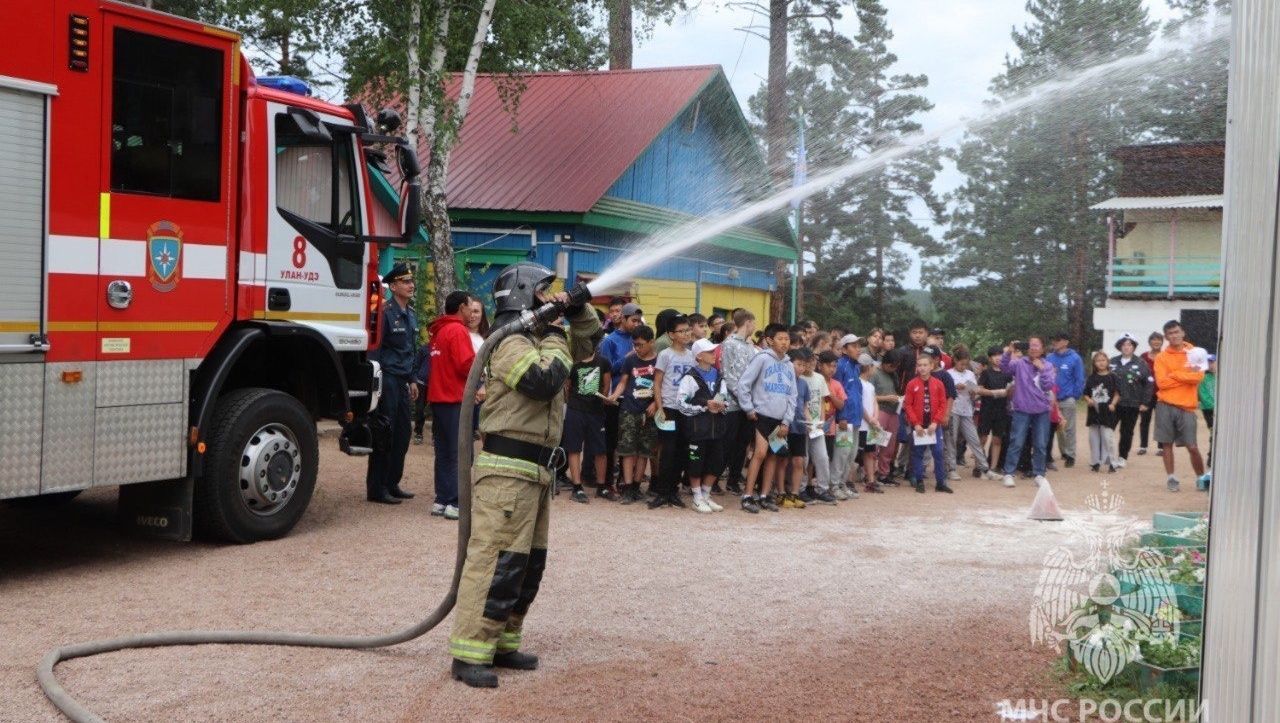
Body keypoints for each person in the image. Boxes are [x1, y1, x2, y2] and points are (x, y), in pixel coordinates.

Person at [449, 262, 599, 688]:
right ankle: (469, 651)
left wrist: (576, 312)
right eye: (544, 293)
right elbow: (543, 379)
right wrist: (554, 330)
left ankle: (501, 643)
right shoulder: (510, 341)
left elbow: (589, 345)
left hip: (535, 471)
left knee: (526, 564)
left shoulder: (540, 336)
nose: (551, 298)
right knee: (495, 560)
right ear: (524, 294)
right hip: (507, 473)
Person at [366, 263, 420, 505]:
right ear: (394, 286)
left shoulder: (411, 314)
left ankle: (392, 482)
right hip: (387, 378)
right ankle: (377, 488)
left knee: (403, 433)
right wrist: (375, 381)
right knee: (385, 433)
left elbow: (410, 350)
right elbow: (375, 349)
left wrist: (412, 380)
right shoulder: (385, 313)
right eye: (405, 282)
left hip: (403, 380)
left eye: (411, 281)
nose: (411, 285)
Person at [736, 323, 797, 513]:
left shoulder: (788, 364)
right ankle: (747, 495)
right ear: (770, 340)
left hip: (779, 419)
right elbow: (743, 384)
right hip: (761, 415)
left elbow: (792, 395)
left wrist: (787, 420)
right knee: (760, 453)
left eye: (787, 339)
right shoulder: (761, 359)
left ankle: (764, 495)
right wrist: (749, 408)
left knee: (773, 455)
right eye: (780, 339)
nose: (784, 343)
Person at [427, 290, 476, 520]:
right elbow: (466, 364)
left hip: (438, 399)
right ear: (461, 308)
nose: (472, 312)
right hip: (454, 399)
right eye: (469, 306)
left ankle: (441, 499)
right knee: (459, 452)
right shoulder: (457, 330)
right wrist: (481, 371)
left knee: (444, 452)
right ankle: (456, 501)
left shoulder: (439, 330)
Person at [1152, 320, 1209, 492]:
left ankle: (1200, 477)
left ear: (1183, 332)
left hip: (1187, 406)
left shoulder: (1195, 352)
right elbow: (1161, 383)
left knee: (1192, 446)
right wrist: (1185, 376)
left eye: (1177, 332)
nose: (1174, 335)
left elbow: (1198, 377)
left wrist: (1175, 375)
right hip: (1165, 404)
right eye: (1170, 333)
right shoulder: (1161, 357)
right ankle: (1171, 477)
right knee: (1166, 444)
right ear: (1166, 337)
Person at [676, 338, 728, 513]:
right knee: (696, 463)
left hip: (717, 429)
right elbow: (681, 403)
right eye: (710, 352)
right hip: (698, 429)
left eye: (714, 351)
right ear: (699, 356)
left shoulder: (719, 375)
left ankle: (706, 494)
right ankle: (697, 497)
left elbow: (725, 398)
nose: (715, 355)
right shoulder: (690, 377)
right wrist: (704, 406)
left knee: (717, 462)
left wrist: (722, 405)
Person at [607, 325, 658, 504]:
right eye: (635, 345)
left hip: (650, 412)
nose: (637, 348)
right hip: (629, 408)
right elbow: (623, 382)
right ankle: (628, 487)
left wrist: (655, 403)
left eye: (641, 345)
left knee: (644, 451)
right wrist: (613, 395)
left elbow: (662, 386)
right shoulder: (630, 360)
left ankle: (637, 486)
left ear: (651, 342)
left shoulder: (659, 361)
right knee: (627, 450)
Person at [649, 315, 695, 508]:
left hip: (686, 409)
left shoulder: (692, 355)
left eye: (687, 330)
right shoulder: (665, 355)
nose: (686, 334)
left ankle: (674, 490)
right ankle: (662, 492)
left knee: (683, 451)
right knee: (667, 450)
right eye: (681, 331)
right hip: (669, 408)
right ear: (670, 334)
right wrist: (660, 407)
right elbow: (657, 382)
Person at [999, 337, 1056, 489]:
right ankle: (1009, 473)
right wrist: (1008, 352)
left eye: (1037, 346)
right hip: (1022, 409)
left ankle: (1039, 474)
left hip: (1042, 411)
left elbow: (1048, 385)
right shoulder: (1019, 363)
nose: (1033, 348)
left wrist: (1042, 369)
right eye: (1031, 346)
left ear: (1042, 349)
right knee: (1016, 441)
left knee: (1040, 444)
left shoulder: (1048, 365)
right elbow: (1004, 368)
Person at [562, 333, 612, 503]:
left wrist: (601, 400)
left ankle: (601, 485)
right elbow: (567, 387)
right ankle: (577, 486)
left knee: (600, 450)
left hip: (596, 411)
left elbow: (606, 385)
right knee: (574, 448)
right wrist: (574, 403)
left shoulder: (603, 362)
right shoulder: (572, 364)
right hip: (576, 410)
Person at [945, 346, 997, 481]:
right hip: (953, 410)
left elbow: (974, 394)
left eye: (965, 364)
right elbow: (945, 393)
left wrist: (974, 392)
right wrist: (955, 387)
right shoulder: (949, 374)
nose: (963, 366)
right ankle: (951, 468)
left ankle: (984, 467)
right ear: (955, 360)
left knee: (974, 439)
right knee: (952, 439)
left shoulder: (970, 374)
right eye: (961, 363)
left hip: (967, 410)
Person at [720, 309, 758, 495]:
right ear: (748, 322)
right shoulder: (729, 344)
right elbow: (729, 375)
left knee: (742, 444)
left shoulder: (751, 346)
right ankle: (715, 477)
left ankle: (734, 479)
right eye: (754, 323)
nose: (755, 327)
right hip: (733, 403)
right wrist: (743, 398)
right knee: (727, 442)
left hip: (748, 404)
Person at [903, 355, 951, 494]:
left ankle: (940, 483)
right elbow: (908, 405)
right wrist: (916, 424)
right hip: (919, 426)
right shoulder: (912, 384)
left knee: (938, 452)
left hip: (934, 426)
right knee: (917, 453)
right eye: (920, 365)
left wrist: (936, 422)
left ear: (931, 366)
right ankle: (919, 481)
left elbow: (943, 403)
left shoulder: (938, 383)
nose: (922, 368)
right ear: (917, 367)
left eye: (925, 365)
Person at [796, 348, 836, 504]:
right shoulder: (799, 379)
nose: (810, 364)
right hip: (802, 425)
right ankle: (801, 488)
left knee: (822, 457)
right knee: (804, 459)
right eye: (807, 362)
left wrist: (821, 421)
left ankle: (823, 488)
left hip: (816, 426)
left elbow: (821, 401)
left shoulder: (819, 378)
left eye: (812, 361)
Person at [1109, 334, 1152, 466]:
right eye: (1124, 345)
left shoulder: (1141, 363)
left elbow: (1148, 383)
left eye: (1129, 345)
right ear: (1119, 347)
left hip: (1132, 404)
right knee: (1107, 430)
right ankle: (1107, 456)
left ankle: (1122, 457)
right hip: (1113, 404)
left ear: (1133, 347)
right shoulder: (1112, 362)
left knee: (1126, 432)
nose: (1126, 347)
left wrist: (1145, 402)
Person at [818, 350, 855, 500]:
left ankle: (829, 486)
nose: (832, 369)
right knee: (816, 459)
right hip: (815, 427)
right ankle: (813, 486)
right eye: (829, 366)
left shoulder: (837, 384)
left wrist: (830, 394)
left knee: (829, 457)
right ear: (820, 366)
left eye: (834, 366)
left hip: (831, 428)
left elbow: (841, 405)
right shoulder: (815, 379)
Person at [781, 347, 813, 509]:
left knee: (799, 461)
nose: (801, 368)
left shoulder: (804, 384)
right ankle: (780, 492)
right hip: (784, 426)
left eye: (803, 365)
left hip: (800, 427)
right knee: (782, 460)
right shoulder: (783, 381)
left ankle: (794, 493)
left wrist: (810, 422)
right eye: (798, 364)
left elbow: (805, 406)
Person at [1047, 333, 1085, 468]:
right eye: (1054, 340)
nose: (1055, 342)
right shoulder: (1049, 358)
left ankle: (1070, 455)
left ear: (1066, 342)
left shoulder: (1075, 358)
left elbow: (1079, 379)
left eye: (1058, 340)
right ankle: (1061, 451)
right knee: (1054, 428)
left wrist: (1074, 395)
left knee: (1069, 427)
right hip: (1051, 399)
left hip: (1067, 398)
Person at [976, 345, 1012, 478]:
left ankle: (993, 467)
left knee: (997, 439)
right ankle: (979, 466)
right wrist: (994, 393)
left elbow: (1011, 390)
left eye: (1000, 355)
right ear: (990, 358)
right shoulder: (986, 373)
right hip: (987, 409)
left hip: (1001, 410)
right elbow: (979, 389)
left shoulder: (1007, 373)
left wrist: (1009, 392)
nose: (998, 358)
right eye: (994, 356)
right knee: (983, 438)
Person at [1084, 350, 1121, 473]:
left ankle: (1112, 463)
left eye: (1103, 360)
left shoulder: (1113, 377)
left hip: (1107, 411)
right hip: (1094, 411)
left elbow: (1117, 393)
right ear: (1094, 363)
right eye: (1098, 361)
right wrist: (1089, 400)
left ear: (1107, 362)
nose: (1101, 363)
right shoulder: (1091, 378)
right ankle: (1095, 462)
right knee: (1093, 438)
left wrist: (1113, 404)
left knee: (1108, 437)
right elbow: (1086, 393)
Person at [857, 354, 885, 494]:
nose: (875, 368)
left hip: (870, 425)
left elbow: (874, 402)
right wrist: (870, 419)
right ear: (868, 367)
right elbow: (859, 405)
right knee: (856, 454)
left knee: (870, 453)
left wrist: (875, 418)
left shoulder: (870, 385)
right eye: (873, 366)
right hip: (861, 425)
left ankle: (871, 481)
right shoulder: (858, 383)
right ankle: (848, 481)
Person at [871, 355, 901, 486]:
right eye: (891, 366)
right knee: (876, 444)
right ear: (884, 363)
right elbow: (869, 395)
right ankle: (870, 473)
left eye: (895, 366)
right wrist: (886, 398)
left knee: (889, 446)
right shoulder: (875, 374)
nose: (893, 368)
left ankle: (884, 473)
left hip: (893, 412)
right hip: (880, 411)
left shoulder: (894, 374)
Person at [1138, 331, 1163, 455]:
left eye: (1159, 339)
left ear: (1162, 342)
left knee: (1161, 421)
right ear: (1150, 342)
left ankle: (1161, 447)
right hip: (1146, 394)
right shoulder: (1143, 357)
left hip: (1162, 394)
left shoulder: (1165, 356)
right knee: (1144, 420)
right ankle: (1143, 446)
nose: (1156, 342)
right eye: (1154, 339)